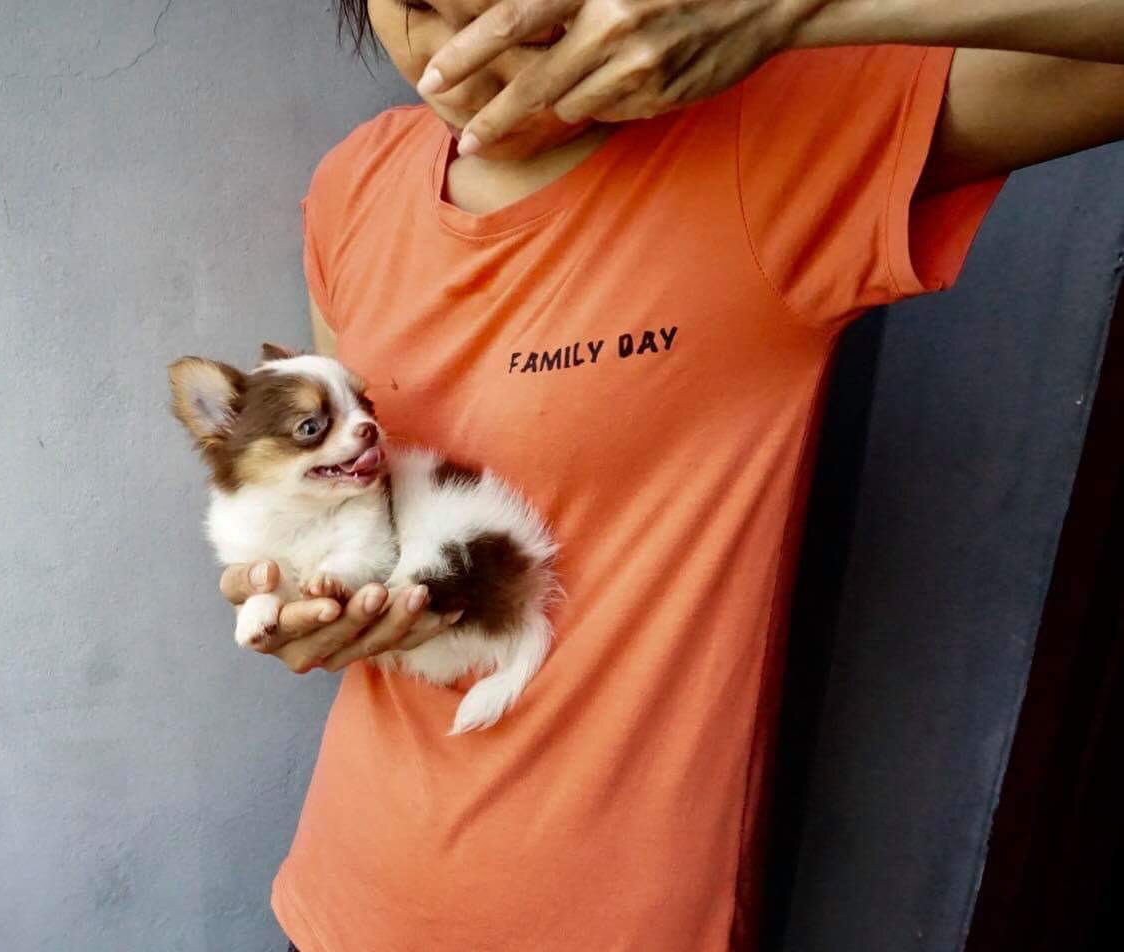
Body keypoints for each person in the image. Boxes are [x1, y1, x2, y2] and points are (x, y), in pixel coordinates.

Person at [213, 2, 1124, 949]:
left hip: (613, 916)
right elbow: (358, 509)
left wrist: (786, 10)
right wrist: (311, 607)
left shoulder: (773, 137)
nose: (461, 55)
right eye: (418, 10)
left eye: (504, 12)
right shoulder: (356, 181)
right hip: (346, 890)